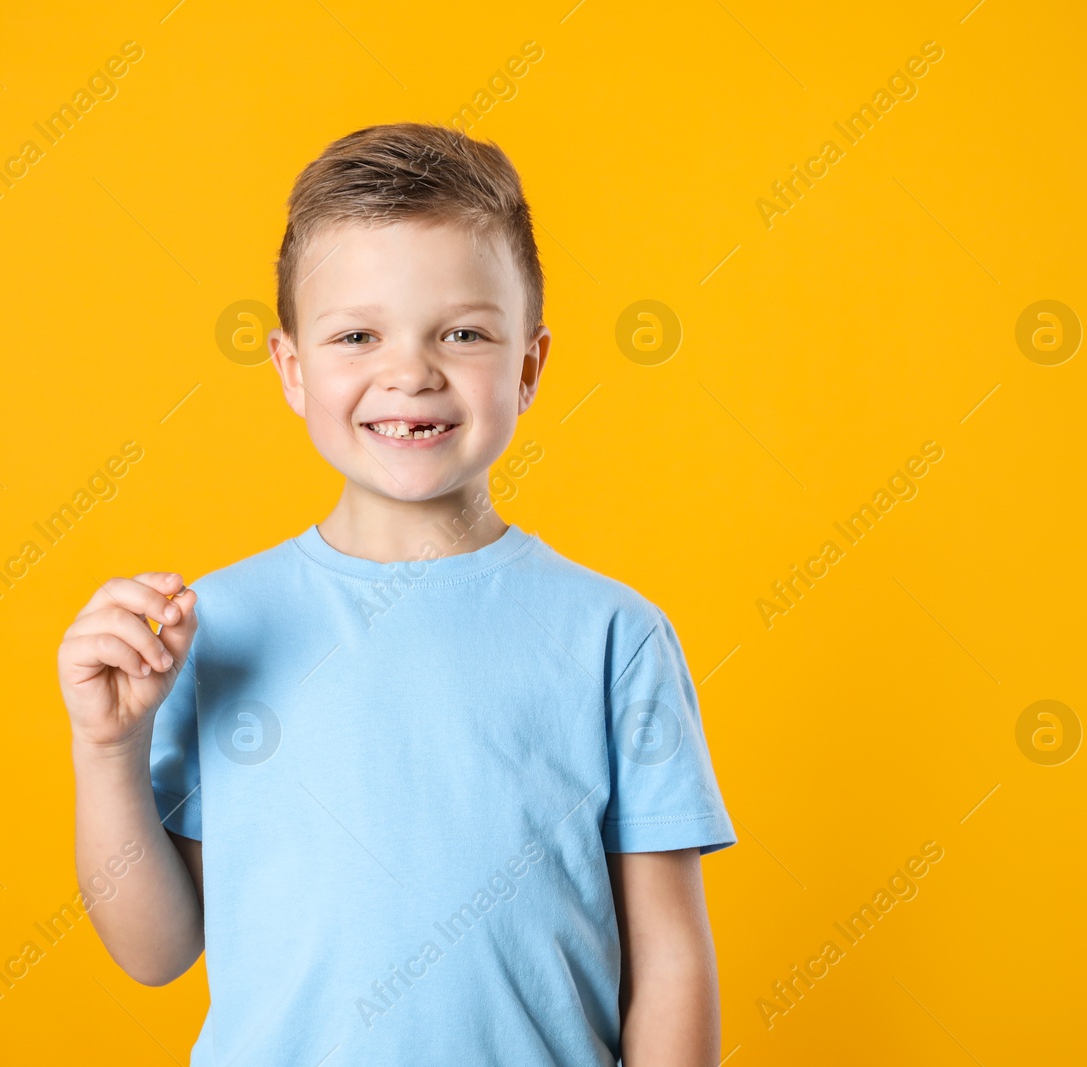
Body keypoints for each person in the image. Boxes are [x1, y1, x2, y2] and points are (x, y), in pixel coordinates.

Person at [58, 121, 738, 1066]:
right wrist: (109, 748)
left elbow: (667, 959)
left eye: (462, 332)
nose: (410, 372)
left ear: (530, 365)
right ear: (293, 370)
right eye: (357, 335)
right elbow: (156, 950)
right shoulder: (212, 629)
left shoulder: (613, 636)